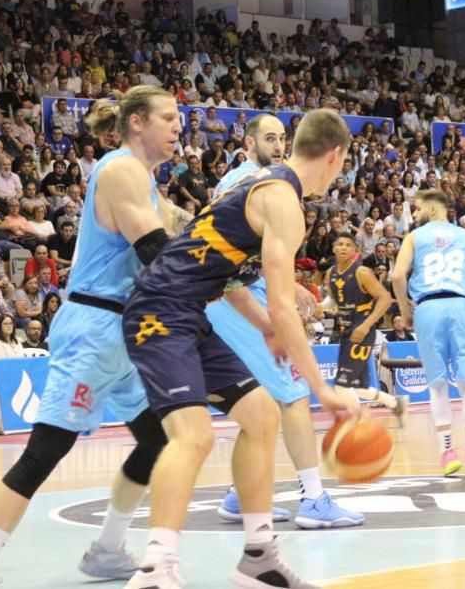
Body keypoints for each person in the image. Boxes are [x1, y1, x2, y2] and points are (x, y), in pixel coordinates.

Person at [0, 87, 190, 588]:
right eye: (168, 118)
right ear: (136, 124)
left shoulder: (148, 181)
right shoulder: (121, 168)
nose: (179, 127)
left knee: (160, 440)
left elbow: (182, 233)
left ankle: (107, 550)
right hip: (94, 327)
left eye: (180, 119)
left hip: (126, 330)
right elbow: (160, 252)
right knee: (45, 452)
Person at [121, 108, 358, 588]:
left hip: (190, 311)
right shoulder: (283, 200)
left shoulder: (259, 185)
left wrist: (264, 327)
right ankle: (155, 567)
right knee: (193, 435)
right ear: (335, 156)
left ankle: (259, 557)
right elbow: (287, 305)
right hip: (160, 311)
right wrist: (323, 388)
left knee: (263, 416)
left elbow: (229, 281)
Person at [204, 114, 364, 530]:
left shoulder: (259, 183)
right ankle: (313, 499)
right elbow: (229, 270)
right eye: (269, 138)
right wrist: (323, 388)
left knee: (265, 402)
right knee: (293, 395)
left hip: (223, 294)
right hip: (222, 299)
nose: (277, 145)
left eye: (282, 137)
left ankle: (242, 495)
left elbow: (242, 255)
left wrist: (289, 284)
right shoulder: (263, 186)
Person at [391, 189, 465, 478]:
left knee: (437, 385)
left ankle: (447, 452)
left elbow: (397, 275)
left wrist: (405, 309)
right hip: (459, 306)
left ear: (431, 210)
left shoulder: (415, 238)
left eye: (416, 210)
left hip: (428, 308)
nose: (413, 215)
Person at [326, 232, 405, 418]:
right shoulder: (331, 273)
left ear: (355, 250)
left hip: (362, 331)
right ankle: (395, 402)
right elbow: (334, 302)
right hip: (345, 333)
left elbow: (385, 298)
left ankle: (357, 423)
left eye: (348, 244)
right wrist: (319, 307)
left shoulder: (361, 272)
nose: (344, 247)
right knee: (357, 387)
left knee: (342, 386)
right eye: (340, 244)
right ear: (334, 248)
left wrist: (366, 325)